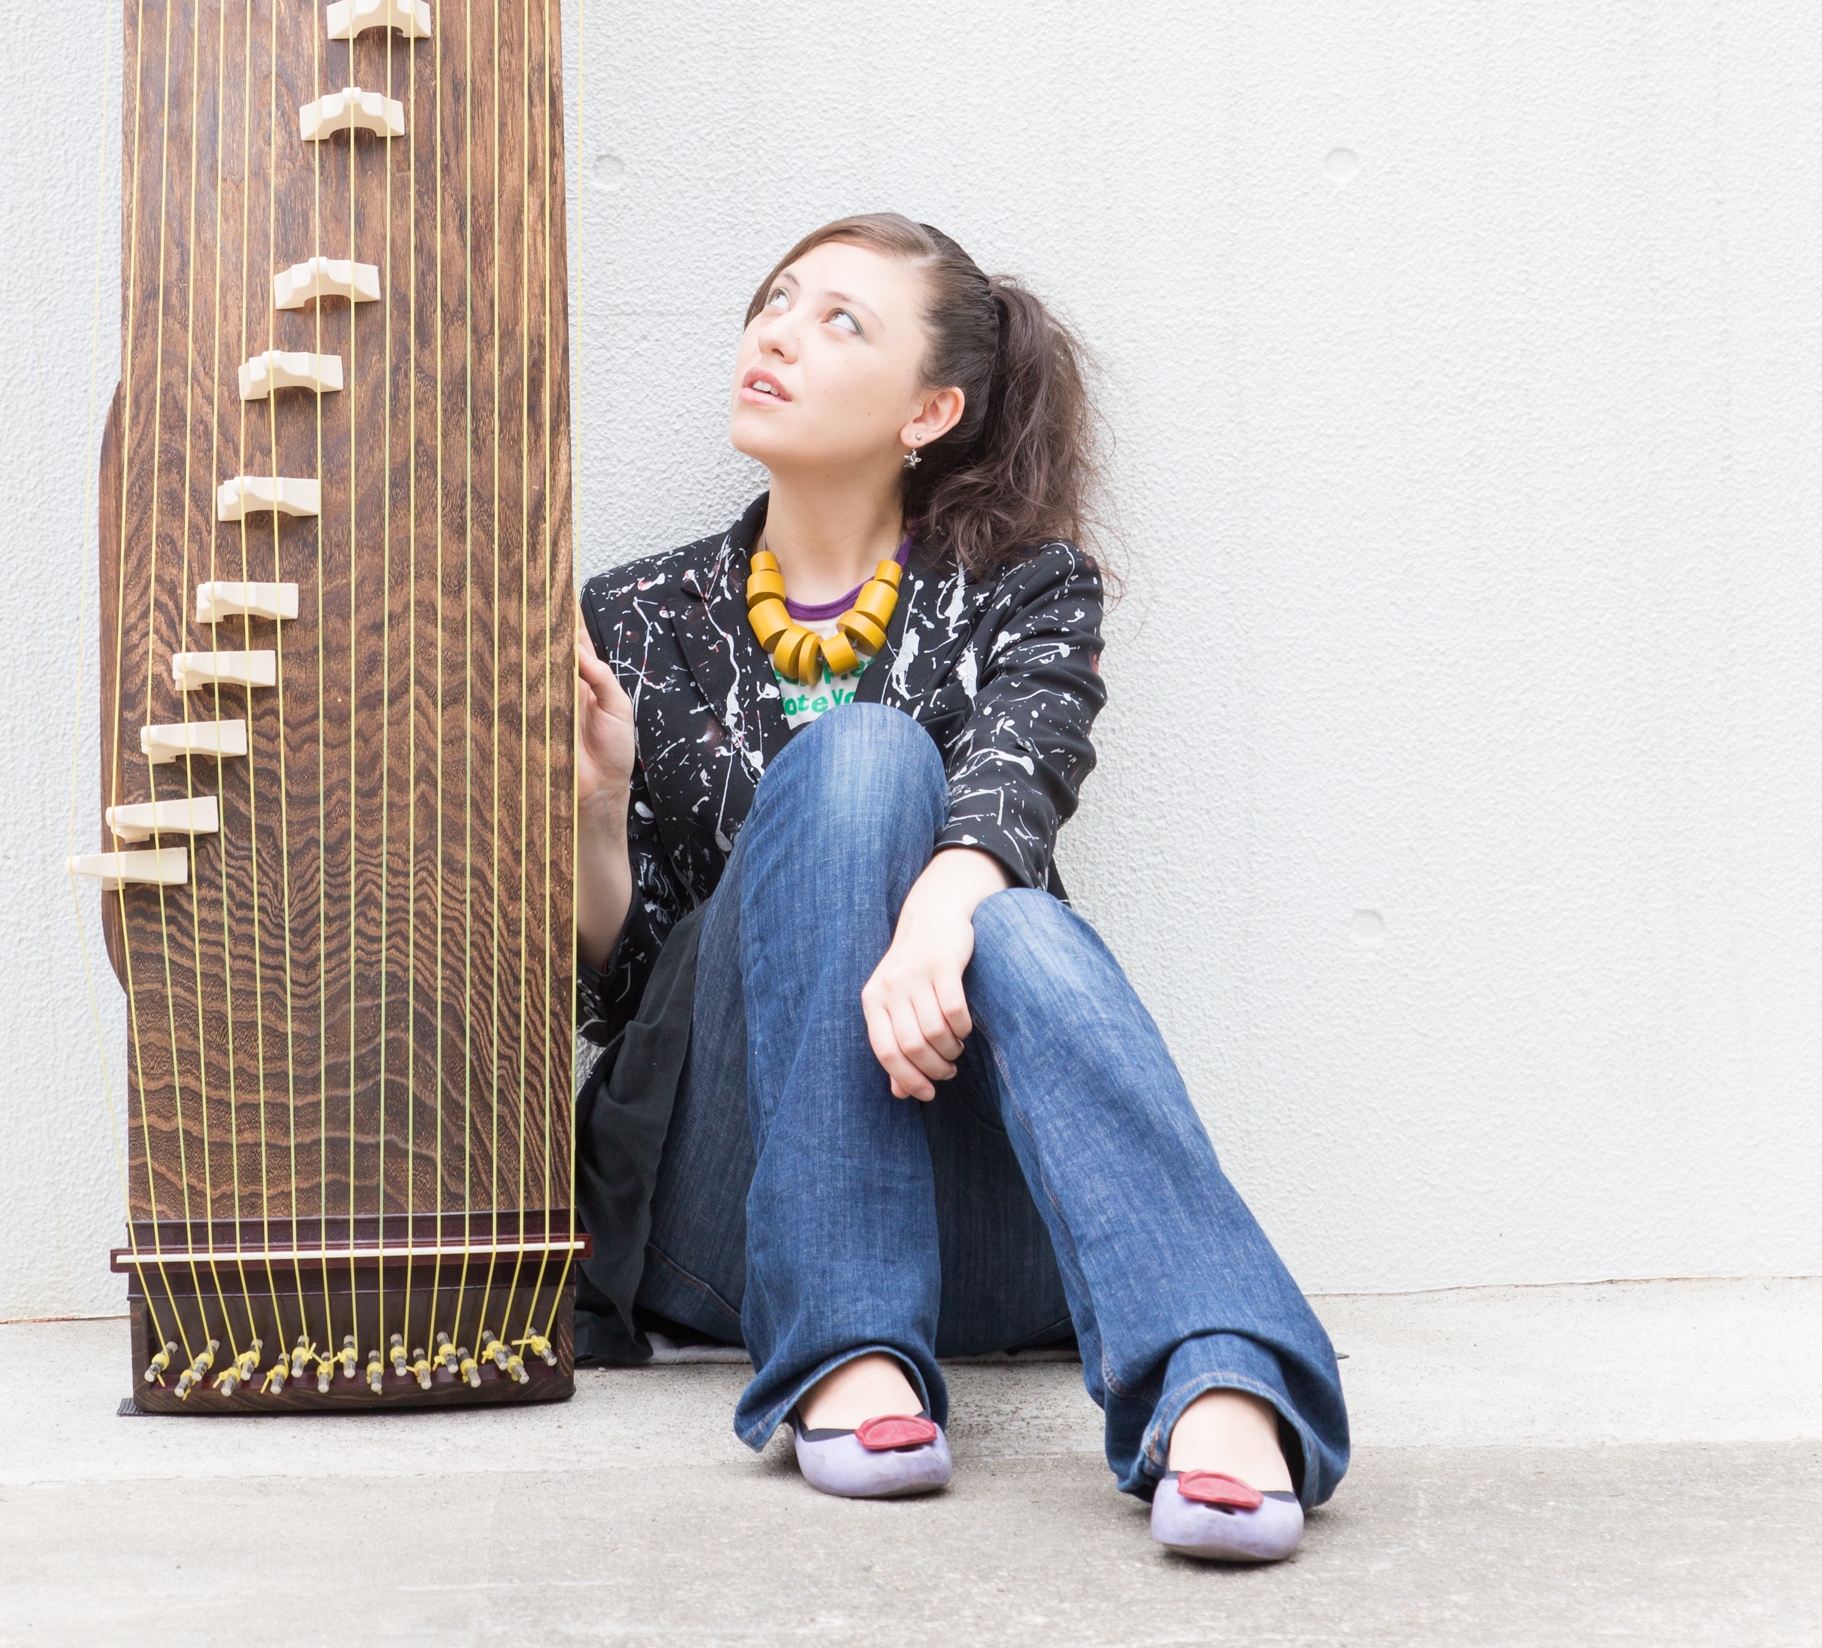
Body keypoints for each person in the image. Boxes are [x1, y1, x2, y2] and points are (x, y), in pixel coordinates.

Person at [573, 211, 1349, 1561]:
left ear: (929, 410)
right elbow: (645, 1003)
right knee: (866, 763)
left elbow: (1020, 778)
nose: (779, 333)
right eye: (777, 299)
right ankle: (853, 1338)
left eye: (839, 320)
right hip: (735, 1230)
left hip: (990, 1247)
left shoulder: (1026, 593)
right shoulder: (634, 617)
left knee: (1015, 922)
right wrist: (595, 807)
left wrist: (943, 910)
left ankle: (1219, 1373)